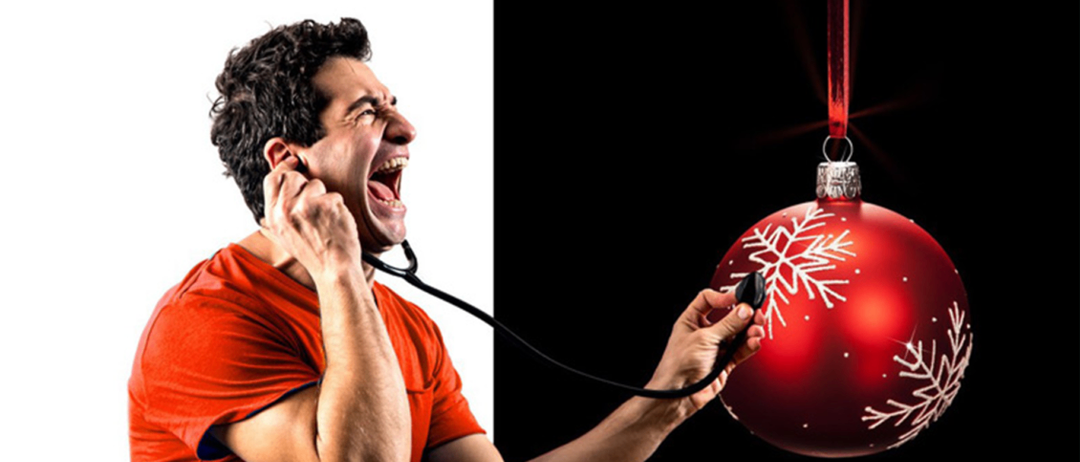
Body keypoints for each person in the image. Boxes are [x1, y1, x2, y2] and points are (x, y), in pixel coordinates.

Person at [128, 18, 766, 462]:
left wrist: (673, 397)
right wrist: (342, 272)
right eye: (368, 113)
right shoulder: (202, 321)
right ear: (288, 166)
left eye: (393, 105)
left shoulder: (407, 330)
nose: (406, 128)